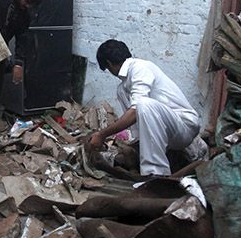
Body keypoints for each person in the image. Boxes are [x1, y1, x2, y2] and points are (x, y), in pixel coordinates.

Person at [85, 39, 201, 177]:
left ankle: (156, 174)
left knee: (143, 104)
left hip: (184, 127)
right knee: (140, 112)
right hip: (168, 136)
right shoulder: (122, 89)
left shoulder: (140, 67)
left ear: (109, 64)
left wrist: (102, 134)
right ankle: (156, 167)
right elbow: (138, 129)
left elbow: (136, 111)